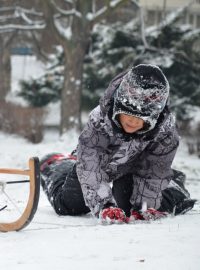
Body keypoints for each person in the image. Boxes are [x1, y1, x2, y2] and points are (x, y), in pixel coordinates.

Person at [40, 64, 196, 224]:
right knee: (70, 205)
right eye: (128, 112)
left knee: (126, 204)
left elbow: (154, 171)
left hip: (135, 169)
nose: (133, 120)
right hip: (96, 165)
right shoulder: (99, 120)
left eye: (142, 117)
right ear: (117, 105)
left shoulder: (165, 130)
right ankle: (59, 163)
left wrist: (144, 207)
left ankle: (174, 186)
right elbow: (90, 165)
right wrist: (105, 205)